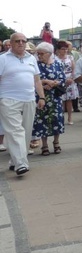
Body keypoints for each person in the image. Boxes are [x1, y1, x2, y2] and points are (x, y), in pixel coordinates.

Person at [0, 33, 46, 175]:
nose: (21, 43)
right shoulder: (2, 59)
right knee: (15, 132)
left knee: (25, 132)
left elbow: (37, 80)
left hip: (29, 99)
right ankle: (21, 163)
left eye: (23, 41)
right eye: (17, 41)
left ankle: (14, 161)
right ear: (11, 43)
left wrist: (42, 97)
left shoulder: (31, 58)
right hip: (8, 99)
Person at [32, 42, 66, 156]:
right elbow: (33, 80)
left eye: (41, 53)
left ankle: (56, 143)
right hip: (42, 97)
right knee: (42, 120)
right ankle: (44, 145)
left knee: (57, 119)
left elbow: (62, 78)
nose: (39, 55)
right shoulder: (36, 64)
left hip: (55, 97)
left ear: (49, 53)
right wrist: (46, 82)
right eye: (38, 53)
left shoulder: (58, 64)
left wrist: (54, 83)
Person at [55, 40, 78, 126]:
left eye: (66, 49)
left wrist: (72, 78)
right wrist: (62, 80)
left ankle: (70, 117)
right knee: (61, 100)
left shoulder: (70, 57)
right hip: (59, 80)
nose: (65, 51)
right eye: (63, 49)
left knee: (69, 100)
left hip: (69, 79)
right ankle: (61, 118)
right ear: (58, 50)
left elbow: (74, 69)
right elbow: (55, 70)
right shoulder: (55, 59)